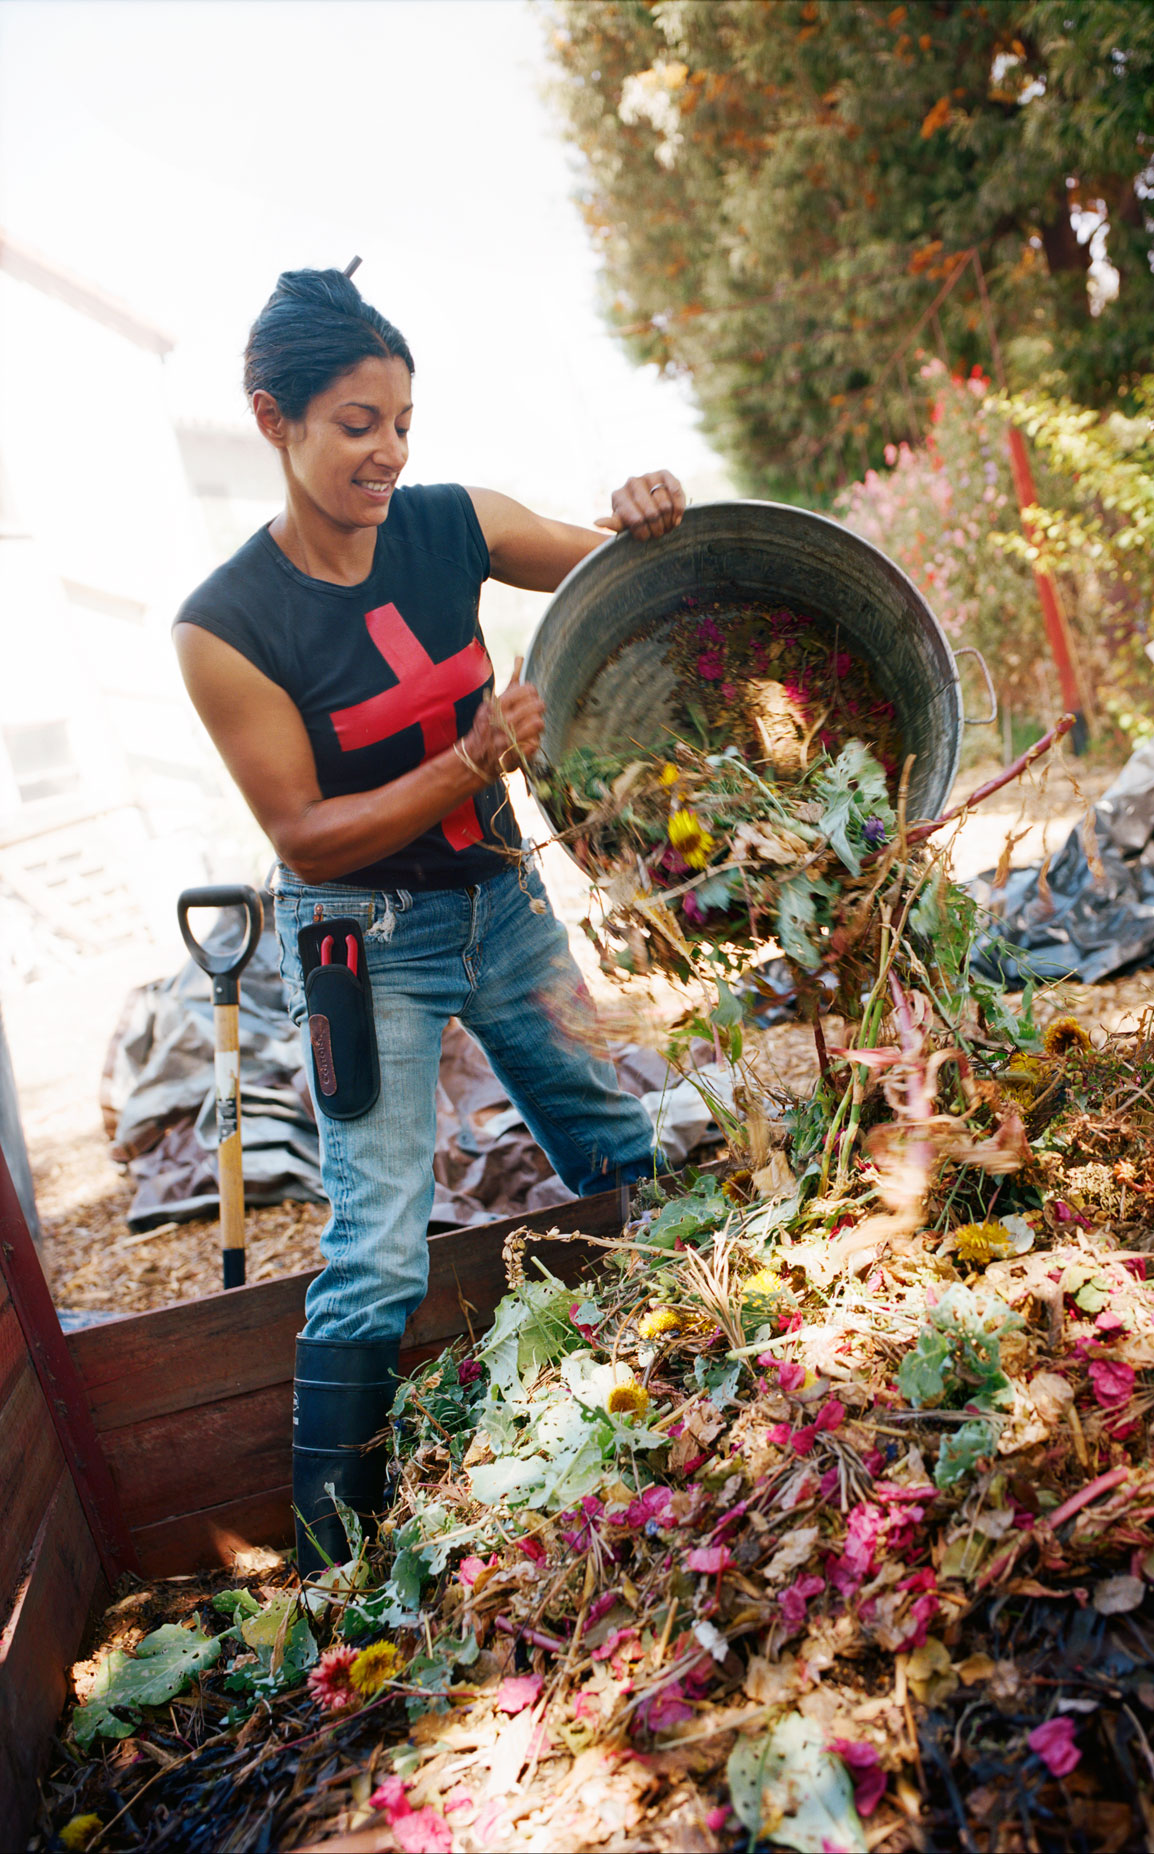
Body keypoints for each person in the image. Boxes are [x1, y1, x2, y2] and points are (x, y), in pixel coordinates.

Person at [174, 266, 685, 1570]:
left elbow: (630, 580)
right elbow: (302, 832)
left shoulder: (452, 523)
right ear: (271, 418)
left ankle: (703, 1396)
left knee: (620, 1140)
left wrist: (643, 512)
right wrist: (467, 762)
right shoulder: (224, 623)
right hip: (360, 946)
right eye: (356, 423)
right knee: (382, 1248)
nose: (389, 450)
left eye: (403, 418)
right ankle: (333, 1570)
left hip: (504, 908)